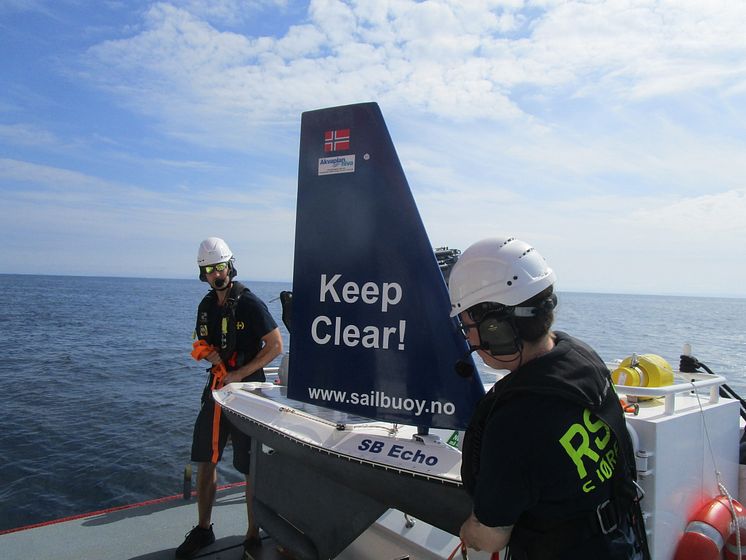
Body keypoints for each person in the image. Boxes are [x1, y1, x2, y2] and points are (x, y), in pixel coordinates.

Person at [448, 237, 649, 560]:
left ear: (496, 327)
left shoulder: (515, 422)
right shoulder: (583, 357)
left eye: (467, 325)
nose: (468, 336)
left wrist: (470, 530)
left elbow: (490, 539)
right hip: (618, 543)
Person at [176, 237, 283, 560]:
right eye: (209, 269)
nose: (215, 274)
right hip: (216, 392)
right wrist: (207, 354)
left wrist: (240, 373)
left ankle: (252, 533)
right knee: (205, 460)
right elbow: (202, 342)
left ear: (230, 266)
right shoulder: (206, 307)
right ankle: (204, 528)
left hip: (248, 395)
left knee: (249, 466)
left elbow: (275, 345)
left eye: (219, 267)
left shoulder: (250, 304)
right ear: (203, 274)